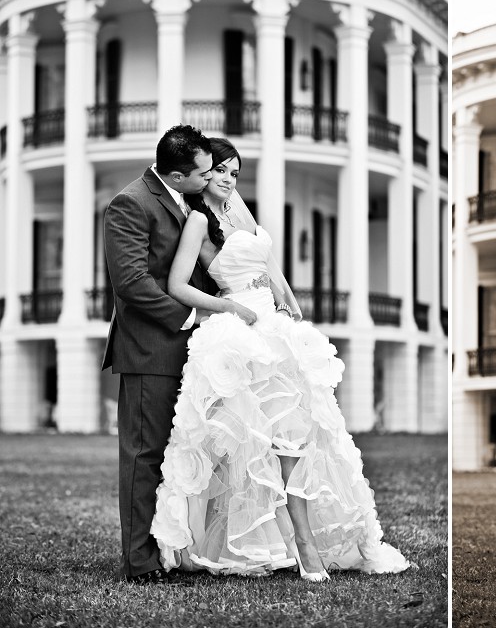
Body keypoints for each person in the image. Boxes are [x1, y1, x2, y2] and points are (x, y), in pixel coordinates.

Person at [150, 138, 411, 580]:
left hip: (276, 329)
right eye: (221, 172)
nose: (230, 180)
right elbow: (178, 285)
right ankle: (288, 545)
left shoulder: (240, 209)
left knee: (299, 437)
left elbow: (268, 261)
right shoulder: (196, 220)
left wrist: (287, 298)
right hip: (240, 332)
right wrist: (231, 307)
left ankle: (306, 541)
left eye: (235, 172)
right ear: (203, 175)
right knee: (246, 448)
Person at [103, 124, 254, 584]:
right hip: (150, 350)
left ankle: (174, 547)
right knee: (145, 456)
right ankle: (140, 562)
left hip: (195, 351)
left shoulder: (186, 198)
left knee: (183, 454)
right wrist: (192, 318)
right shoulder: (130, 203)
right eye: (204, 172)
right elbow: (131, 283)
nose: (211, 178)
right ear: (177, 173)